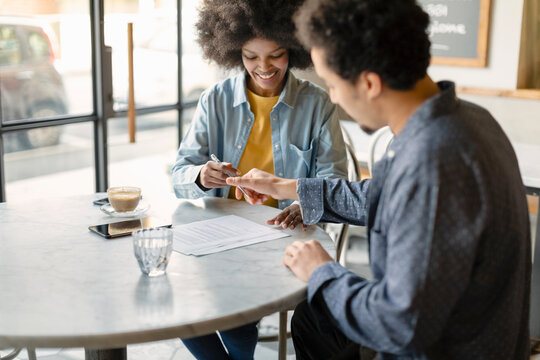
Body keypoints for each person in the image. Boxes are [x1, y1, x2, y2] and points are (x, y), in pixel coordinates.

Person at [226, 0, 532, 358]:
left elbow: (400, 324)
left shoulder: (434, 162)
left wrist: (323, 271)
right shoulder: (468, 120)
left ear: (369, 83)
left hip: (445, 346)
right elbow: (386, 196)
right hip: (475, 329)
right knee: (314, 317)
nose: (335, 99)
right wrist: (285, 186)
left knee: (319, 302)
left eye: (333, 85)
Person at [171, 0, 348, 358]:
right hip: (221, 232)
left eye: (276, 55)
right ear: (234, 51)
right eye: (251, 56)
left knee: (235, 302)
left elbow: (335, 180)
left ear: (294, 50)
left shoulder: (318, 105)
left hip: (285, 235)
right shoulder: (214, 101)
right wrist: (202, 175)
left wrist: (302, 203)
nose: (263, 67)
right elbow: (179, 174)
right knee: (179, 299)